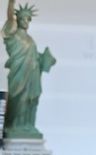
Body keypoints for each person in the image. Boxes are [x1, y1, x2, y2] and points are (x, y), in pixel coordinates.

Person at [3, 0, 55, 140]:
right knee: (19, 99)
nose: (26, 21)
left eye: (28, 19)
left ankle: (27, 125)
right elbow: (9, 19)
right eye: (23, 19)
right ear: (18, 20)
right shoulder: (13, 36)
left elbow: (33, 55)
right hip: (18, 74)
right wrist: (11, 4)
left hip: (32, 74)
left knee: (31, 100)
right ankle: (15, 126)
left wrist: (44, 59)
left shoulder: (30, 39)